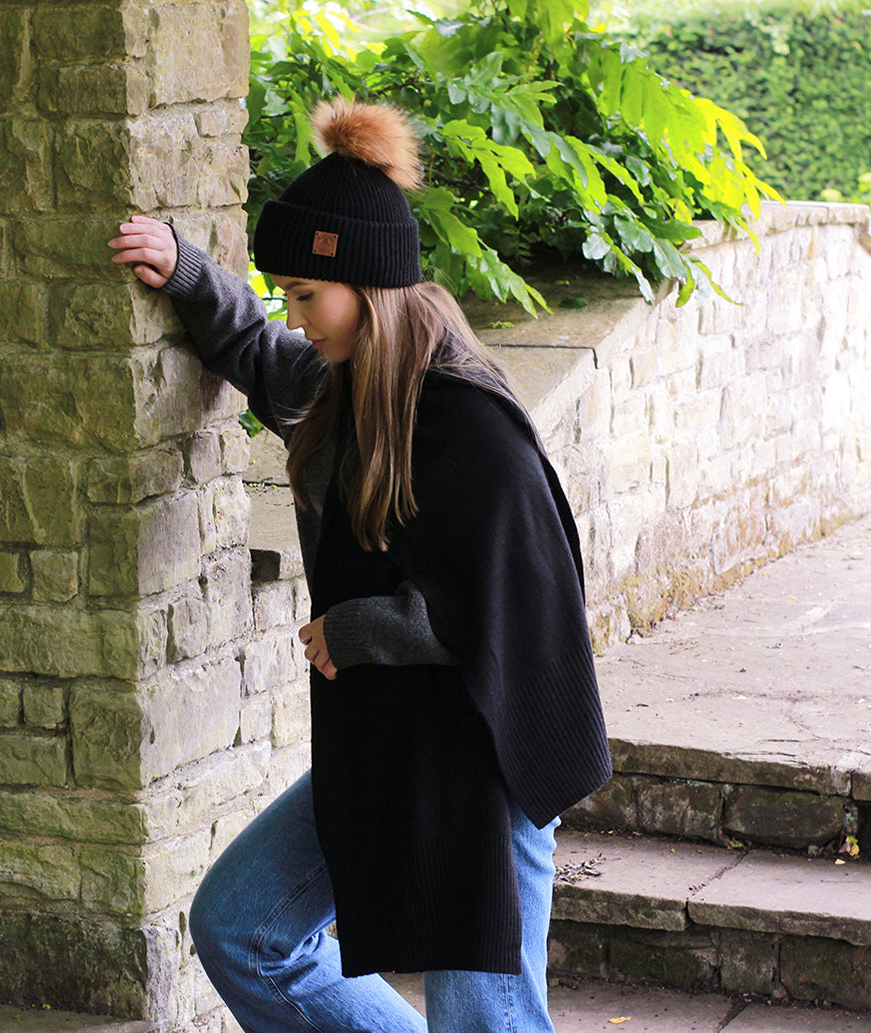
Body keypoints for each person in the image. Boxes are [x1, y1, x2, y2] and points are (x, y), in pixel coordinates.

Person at [109, 97, 611, 1033]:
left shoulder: (470, 426)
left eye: (307, 295)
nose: (295, 318)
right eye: (288, 295)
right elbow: (256, 350)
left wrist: (357, 627)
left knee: (483, 1022)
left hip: (483, 759)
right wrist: (186, 272)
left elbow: (519, 611)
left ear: (371, 286)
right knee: (243, 929)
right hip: (387, 743)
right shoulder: (343, 387)